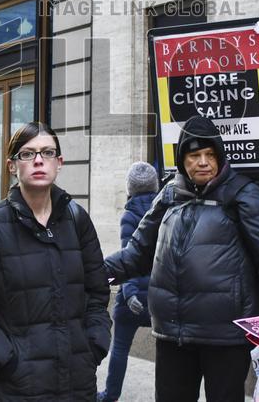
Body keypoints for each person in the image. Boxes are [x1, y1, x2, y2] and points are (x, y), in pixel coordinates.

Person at [104, 115, 259, 402]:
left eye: (210, 154)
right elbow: (136, 254)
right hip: (173, 335)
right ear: (182, 159)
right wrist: (92, 271)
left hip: (226, 338)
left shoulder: (245, 195)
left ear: (220, 157)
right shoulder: (168, 195)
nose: (203, 162)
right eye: (194, 155)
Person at [0, 121, 111, 401]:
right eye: (27, 154)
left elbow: (97, 293)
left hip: (76, 382)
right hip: (15, 387)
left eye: (47, 153)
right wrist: (7, 361)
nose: (39, 160)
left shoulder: (77, 219)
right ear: (12, 166)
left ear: (59, 162)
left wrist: (94, 346)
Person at [97, 162, 159, 402]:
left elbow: (129, 256)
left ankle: (110, 395)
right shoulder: (164, 210)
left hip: (132, 297)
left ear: (130, 189)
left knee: (120, 348)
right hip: (157, 296)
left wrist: (130, 292)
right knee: (167, 352)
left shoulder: (130, 215)